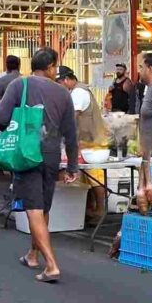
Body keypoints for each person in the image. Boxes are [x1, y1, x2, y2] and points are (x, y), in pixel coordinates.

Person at [0, 48, 78, 283]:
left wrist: (15, 131)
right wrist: (72, 166)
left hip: (28, 152)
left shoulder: (19, 85)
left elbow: (1, 118)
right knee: (42, 208)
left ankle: (51, 265)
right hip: (51, 154)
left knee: (33, 208)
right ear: (51, 67)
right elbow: (71, 134)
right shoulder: (63, 93)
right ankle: (33, 255)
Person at [57, 65, 108, 222]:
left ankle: (100, 210)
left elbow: (72, 117)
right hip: (86, 142)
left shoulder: (79, 92)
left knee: (94, 176)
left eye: (59, 83)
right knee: (87, 177)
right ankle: (90, 209)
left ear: (66, 80)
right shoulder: (76, 91)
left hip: (93, 143)